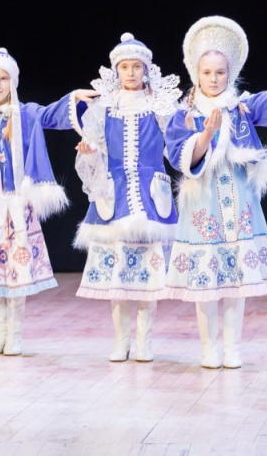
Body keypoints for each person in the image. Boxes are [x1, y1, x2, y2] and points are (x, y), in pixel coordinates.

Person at [164, 15, 267, 369]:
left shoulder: (240, 107)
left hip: (238, 200)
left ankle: (232, 347)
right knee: (206, 282)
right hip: (203, 202)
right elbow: (179, 155)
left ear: (230, 73)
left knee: (237, 280)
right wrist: (206, 135)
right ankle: (209, 348)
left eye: (220, 72)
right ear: (196, 74)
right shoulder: (184, 115)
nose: (214, 79)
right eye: (207, 72)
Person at [0, 48, 96, 356]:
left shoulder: (25, 113)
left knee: (16, 272)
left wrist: (73, 99)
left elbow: (51, 114)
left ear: (13, 81)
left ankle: (15, 335)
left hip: (16, 207)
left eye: (3, 78)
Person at [72, 33, 182, 362]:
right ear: (116, 70)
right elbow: (95, 150)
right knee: (117, 278)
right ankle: (121, 341)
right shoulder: (103, 108)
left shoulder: (160, 105)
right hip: (115, 195)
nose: (131, 72)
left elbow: (177, 147)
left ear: (146, 69)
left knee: (149, 275)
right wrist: (90, 153)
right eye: (124, 67)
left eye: (136, 66)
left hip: (151, 197)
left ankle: (145, 341)